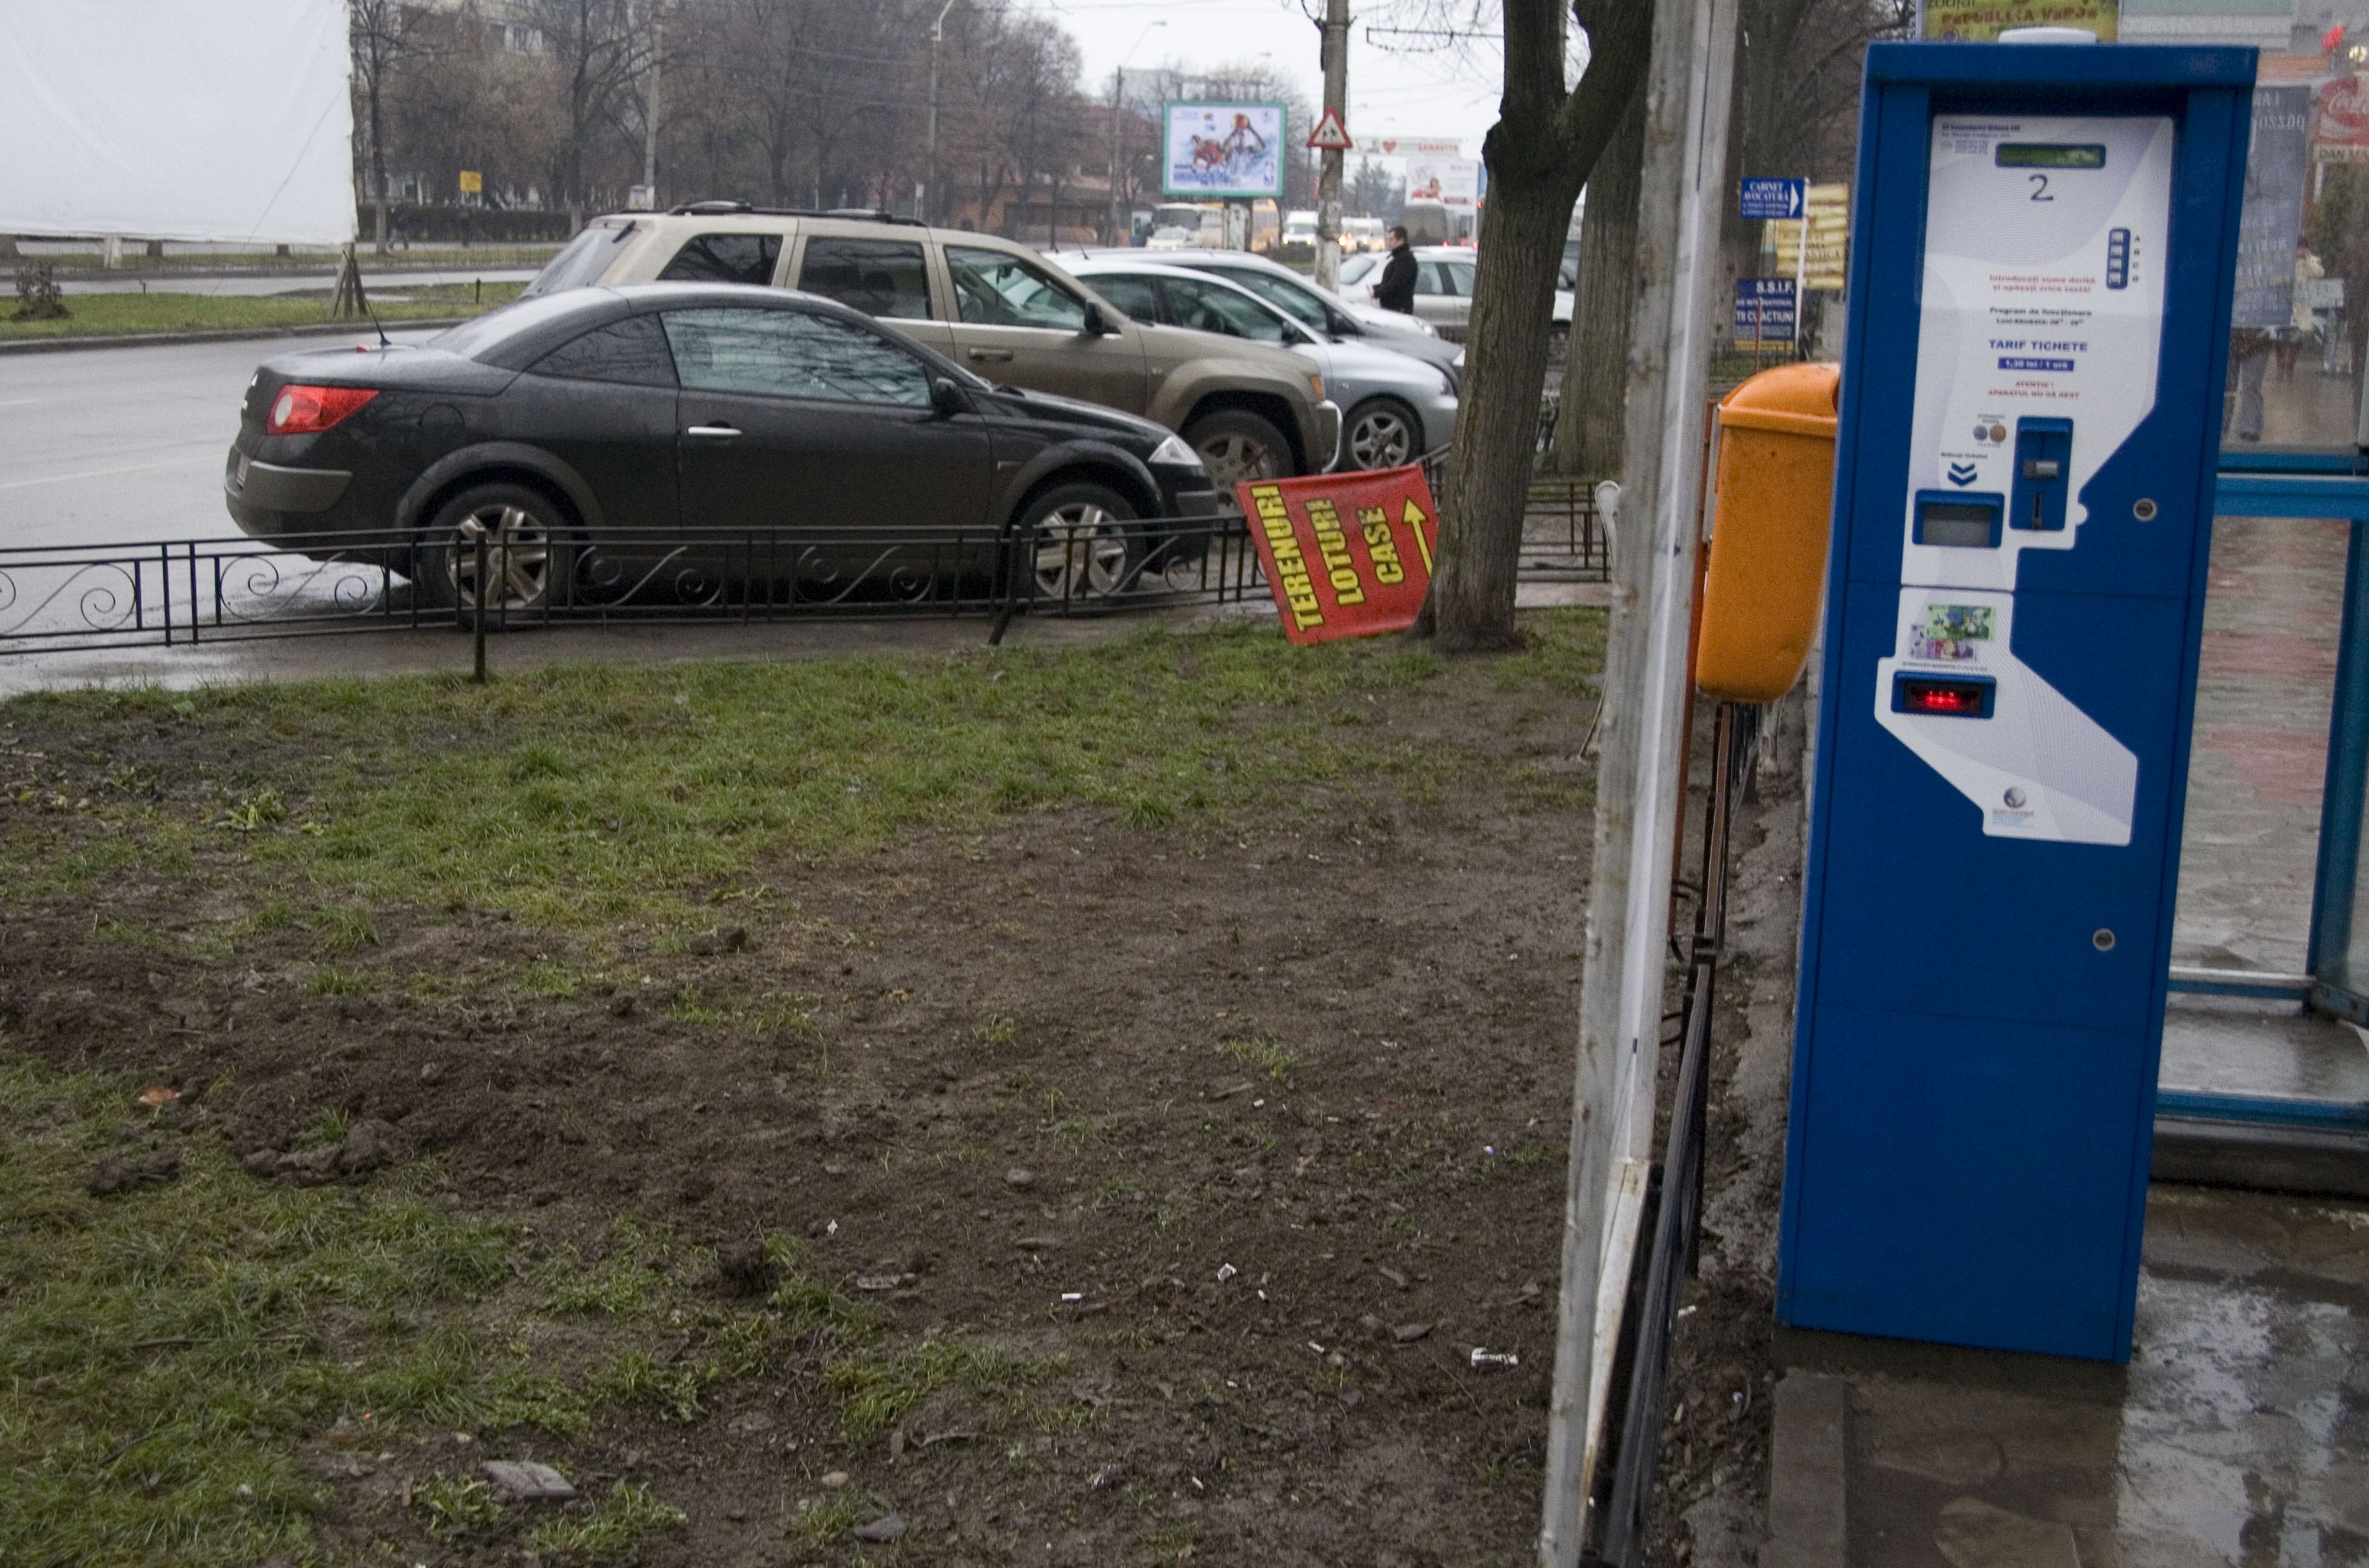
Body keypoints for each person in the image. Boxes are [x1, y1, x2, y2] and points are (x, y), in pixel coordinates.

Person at [1376, 225, 1418, 315]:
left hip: (1399, 309)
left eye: (1392, 240)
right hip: (1393, 309)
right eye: (1388, 239)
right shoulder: (1398, 258)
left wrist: (1377, 292)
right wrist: (1377, 288)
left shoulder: (1406, 260)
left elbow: (1396, 284)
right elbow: (1391, 281)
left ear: (1401, 241)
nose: (1389, 243)